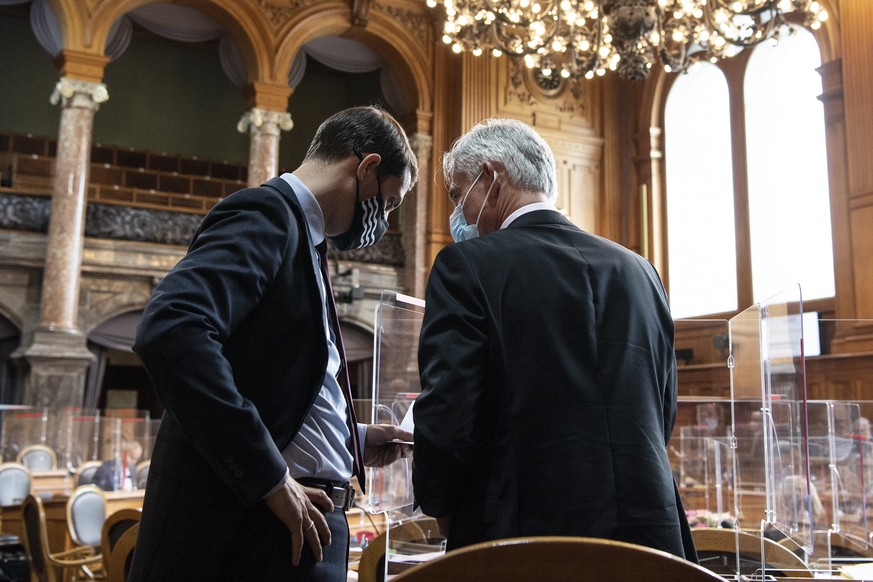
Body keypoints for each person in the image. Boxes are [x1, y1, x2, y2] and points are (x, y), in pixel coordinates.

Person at [128, 106, 417, 582]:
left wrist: (354, 439)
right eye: (386, 202)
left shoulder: (306, 238)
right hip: (248, 526)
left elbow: (276, 378)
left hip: (292, 523)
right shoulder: (266, 213)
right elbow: (172, 327)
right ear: (365, 167)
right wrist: (271, 476)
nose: (381, 221)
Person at [411, 118, 698, 561]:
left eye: (457, 194)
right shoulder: (640, 271)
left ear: (490, 177)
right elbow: (663, 410)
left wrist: (441, 504)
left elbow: (449, 413)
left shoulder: (467, 266)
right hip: (650, 534)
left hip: (523, 536)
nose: (457, 213)